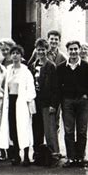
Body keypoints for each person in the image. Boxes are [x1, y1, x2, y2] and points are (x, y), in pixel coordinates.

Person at [57, 41, 88, 168]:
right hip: (68, 102)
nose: (73, 52)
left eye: (76, 49)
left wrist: (87, 94)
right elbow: (57, 86)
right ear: (67, 51)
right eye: (71, 49)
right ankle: (71, 158)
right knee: (69, 130)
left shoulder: (86, 66)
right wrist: (62, 99)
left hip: (82, 102)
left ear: (79, 50)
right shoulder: (61, 68)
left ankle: (80, 158)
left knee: (82, 130)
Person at [0, 45, 36, 166]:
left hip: (22, 103)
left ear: (21, 56)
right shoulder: (7, 70)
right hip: (10, 101)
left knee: (23, 127)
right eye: (13, 53)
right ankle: (16, 155)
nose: (15, 55)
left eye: (17, 53)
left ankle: (25, 155)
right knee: (12, 128)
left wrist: (27, 100)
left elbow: (31, 89)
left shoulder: (26, 71)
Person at [29, 38, 60, 166]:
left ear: (47, 50)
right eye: (38, 49)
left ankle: (54, 155)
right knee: (37, 129)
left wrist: (54, 104)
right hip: (36, 102)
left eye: (43, 49)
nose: (40, 51)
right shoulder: (33, 66)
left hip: (47, 103)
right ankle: (38, 154)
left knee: (50, 131)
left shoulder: (51, 66)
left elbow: (55, 88)